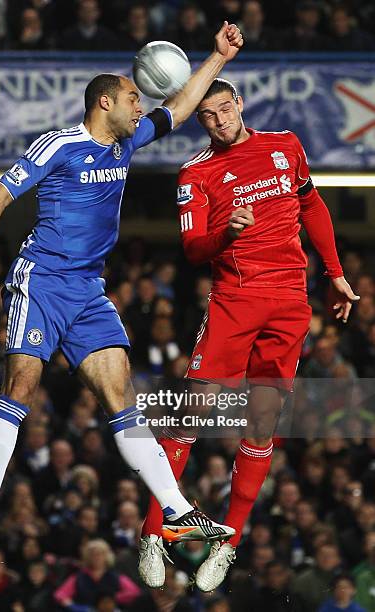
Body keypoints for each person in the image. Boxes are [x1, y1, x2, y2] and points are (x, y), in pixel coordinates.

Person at [0, 24, 244, 554]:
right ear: (104, 101)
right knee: (20, 388)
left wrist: (217, 58)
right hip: (40, 280)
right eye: (134, 97)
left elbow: (178, 109)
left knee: (122, 400)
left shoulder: (128, 141)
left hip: (88, 289)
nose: (142, 105)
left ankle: (176, 512)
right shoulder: (60, 145)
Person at [138, 77, 359, 590]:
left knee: (262, 425)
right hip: (234, 300)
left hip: (289, 302)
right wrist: (225, 232)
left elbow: (313, 207)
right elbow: (193, 249)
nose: (218, 120)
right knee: (191, 413)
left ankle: (229, 543)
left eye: (223, 109)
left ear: (239, 103)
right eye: (207, 116)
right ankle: (154, 531)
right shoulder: (196, 173)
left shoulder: (285, 146)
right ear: (200, 121)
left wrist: (335, 272)